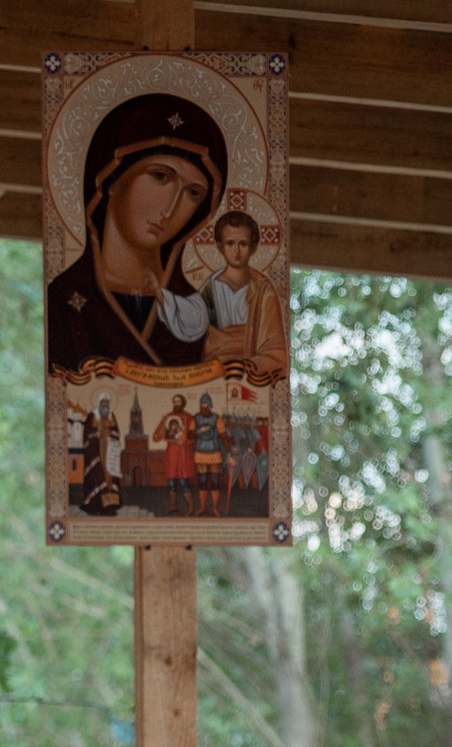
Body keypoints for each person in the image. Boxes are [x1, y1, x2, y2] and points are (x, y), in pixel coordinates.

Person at [47, 92, 228, 377]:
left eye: (193, 194)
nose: (169, 209)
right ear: (113, 178)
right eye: (160, 176)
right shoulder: (64, 300)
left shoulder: (197, 313)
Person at [197, 210, 289, 381]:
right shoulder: (208, 289)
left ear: (253, 247)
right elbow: (196, 343)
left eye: (243, 244)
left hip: (251, 372)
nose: (236, 251)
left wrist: (250, 365)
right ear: (220, 246)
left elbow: (275, 350)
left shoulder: (264, 290)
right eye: (230, 243)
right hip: (213, 373)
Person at [157, 393, 195, 515]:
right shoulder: (168, 417)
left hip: (184, 454)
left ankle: (190, 507)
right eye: (174, 402)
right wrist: (162, 431)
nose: (176, 404)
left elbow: (194, 438)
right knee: (171, 482)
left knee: (184, 482)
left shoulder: (189, 418)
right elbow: (156, 437)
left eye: (178, 401)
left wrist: (185, 442)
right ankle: (173, 505)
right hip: (172, 455)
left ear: (183, 403)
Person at [192, 392, 226, 516]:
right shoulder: (196, 418)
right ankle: (202, 507)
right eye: (201, 404)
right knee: (202, 481)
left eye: (205, 404)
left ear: (210, 405)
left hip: (214, 453)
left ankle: (215, 508)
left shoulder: (217, 418)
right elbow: (190, 434)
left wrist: (229, 451)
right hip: (200, 453)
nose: (203, 407)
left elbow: (223, 436)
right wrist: (198, 430)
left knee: (215, 482)